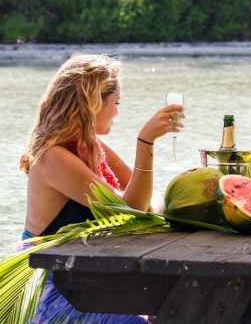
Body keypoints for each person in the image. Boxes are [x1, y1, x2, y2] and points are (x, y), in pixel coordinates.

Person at [20, 54, 183, 324]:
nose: (118, 112)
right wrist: (145, 143)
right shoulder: (53, 158)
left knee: (178, 311)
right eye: (115, 102)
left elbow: (146, 199)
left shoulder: (92, 147)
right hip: (54, 293)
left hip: (89, 283)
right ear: (92, 103)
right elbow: (132, 210)